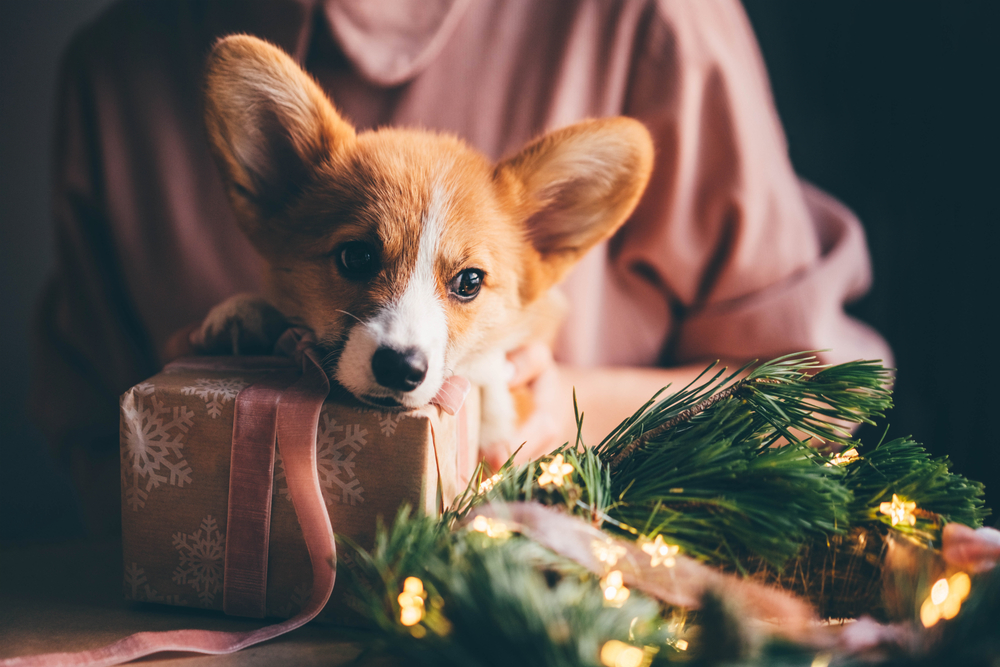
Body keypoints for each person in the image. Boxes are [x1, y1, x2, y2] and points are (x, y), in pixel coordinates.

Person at [32, 0, 891, 536]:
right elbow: (92, 456)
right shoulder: (117, 68)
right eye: (358, 258)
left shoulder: (653, 17)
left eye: (465, 283)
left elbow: (825, 395)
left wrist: (558, 410)